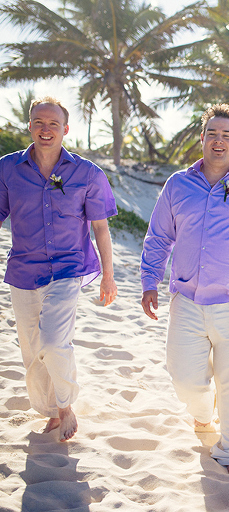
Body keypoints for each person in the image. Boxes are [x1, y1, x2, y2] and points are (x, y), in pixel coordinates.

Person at [140, 103, 229, 474]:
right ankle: (203, 414)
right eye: (212, 134)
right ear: (202, 138)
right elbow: (159, 237)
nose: (218, 141)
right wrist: (149, 280)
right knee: (183, 376)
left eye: (226, 135)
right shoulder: (177, 184)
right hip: (186, 300)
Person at [0, 96, 118, 441]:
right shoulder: (7, 169)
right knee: (32, 351)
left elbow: (100, 228)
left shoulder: (87, 173)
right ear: (30, 127)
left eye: (53, 124)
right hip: (23, 271)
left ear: (66, 129)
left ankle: (65, 406)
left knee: (54, 342)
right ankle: (51, 411)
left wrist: (108, 277)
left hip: (68, 269)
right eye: (39, 122)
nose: (46, 129)